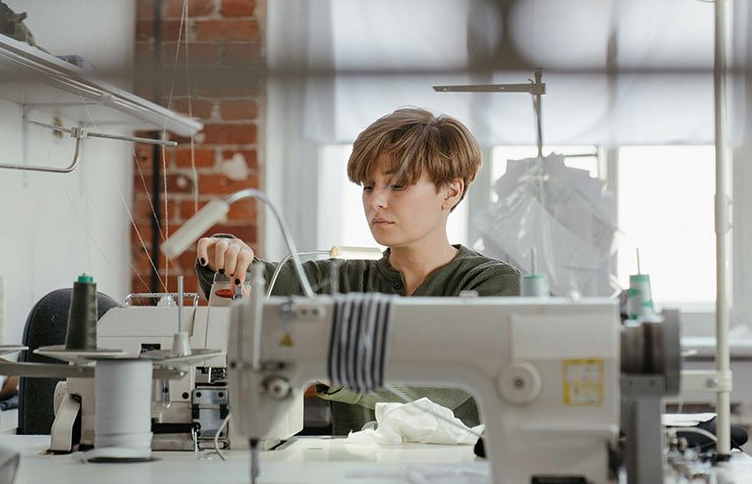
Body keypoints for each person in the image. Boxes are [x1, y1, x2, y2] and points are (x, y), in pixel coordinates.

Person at [194, 107, 520, 436]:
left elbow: (447, 384)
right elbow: (253, 279)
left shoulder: (494, 283)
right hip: (353, 478)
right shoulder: (339, 281)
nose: (375, 201)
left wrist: (324, 365)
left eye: (397, 185)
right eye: (368, 186)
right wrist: (225, 252)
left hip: (458, 478)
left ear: (451, 191)